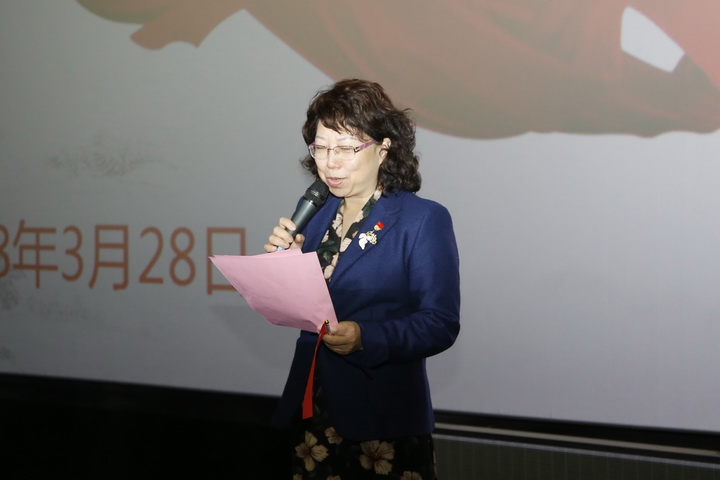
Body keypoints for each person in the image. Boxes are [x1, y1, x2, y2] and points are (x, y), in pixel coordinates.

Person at [265, 78, 460, 479]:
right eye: (321, 148)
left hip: (381, 419)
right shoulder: (315, 213)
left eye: (345, 148)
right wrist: (283, 267)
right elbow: (307, 309)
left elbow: (440, 323)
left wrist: (364, 337)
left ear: (383, 148)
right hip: (312, 411)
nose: (330, 163)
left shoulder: (421, 220)